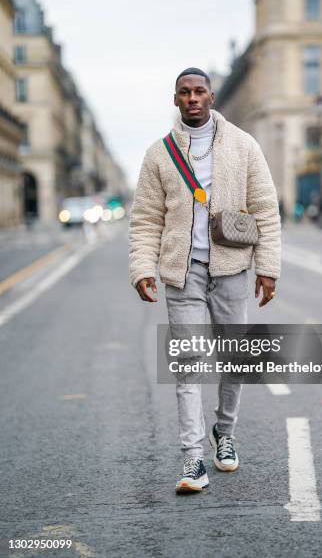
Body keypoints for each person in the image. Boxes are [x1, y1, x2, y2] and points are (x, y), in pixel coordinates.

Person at [129, 67, 281, 494]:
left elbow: (265, 208)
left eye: (199, 91)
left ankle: (224, 432)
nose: (192, 98)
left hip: (232, 268)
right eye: (184, 92)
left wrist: (267, 267)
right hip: (184, 273)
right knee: (189, 364)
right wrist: (142, 267)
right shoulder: (158, 154)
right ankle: (193, 459)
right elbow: (144, 219)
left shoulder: (244, 145)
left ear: (212, 97)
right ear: (175, 99)